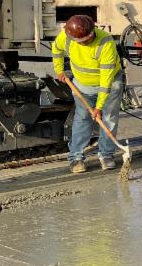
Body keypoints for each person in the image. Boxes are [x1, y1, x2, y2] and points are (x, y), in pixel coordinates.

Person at [52, 14, 125, 173]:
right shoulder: (67, 36)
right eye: (80, 41)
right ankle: (76, 158)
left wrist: (99, 106)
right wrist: (59, 69)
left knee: (108, 118)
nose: (84, 43)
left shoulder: (105, 42)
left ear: (93, 32)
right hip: (82, 86)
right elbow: (56, 49)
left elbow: (106, 79)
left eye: (86, 40)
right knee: (82, 118)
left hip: (109, 85)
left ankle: (106, 155)